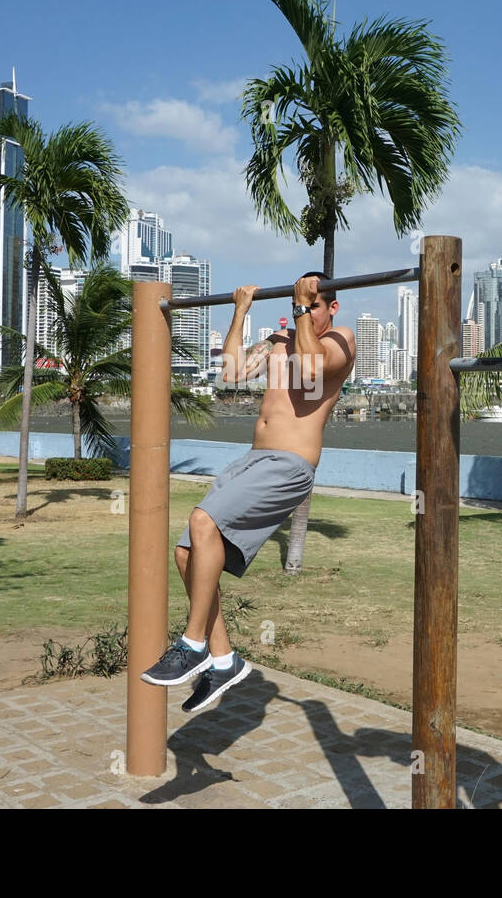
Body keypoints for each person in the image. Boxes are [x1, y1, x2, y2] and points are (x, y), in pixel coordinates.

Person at [140, 272, 356, 712]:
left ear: (330, 308)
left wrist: (299, 310)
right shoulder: (280, 341)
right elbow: (231, 372)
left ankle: (192, 643)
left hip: (289, 464)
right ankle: (223, 661)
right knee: (187, 553)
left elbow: (313, 368)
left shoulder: (340, 340)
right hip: (253, 461)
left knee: (204, 521)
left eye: (314, 304)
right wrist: (240, 313)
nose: (306, 310)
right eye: (303, 303)